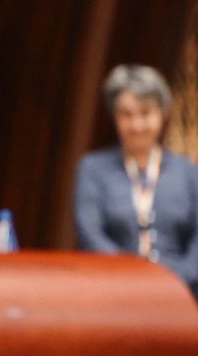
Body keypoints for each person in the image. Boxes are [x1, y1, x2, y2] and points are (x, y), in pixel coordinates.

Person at [74, 64, 198, 299]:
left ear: (162, 112)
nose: (137, 125)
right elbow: (90, 234)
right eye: (127, 115)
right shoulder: (93, 169)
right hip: (115, 291)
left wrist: (175, 281)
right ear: (114, 117)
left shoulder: (188, 172)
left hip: (182, 293)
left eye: (145, 112)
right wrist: (132, 279)